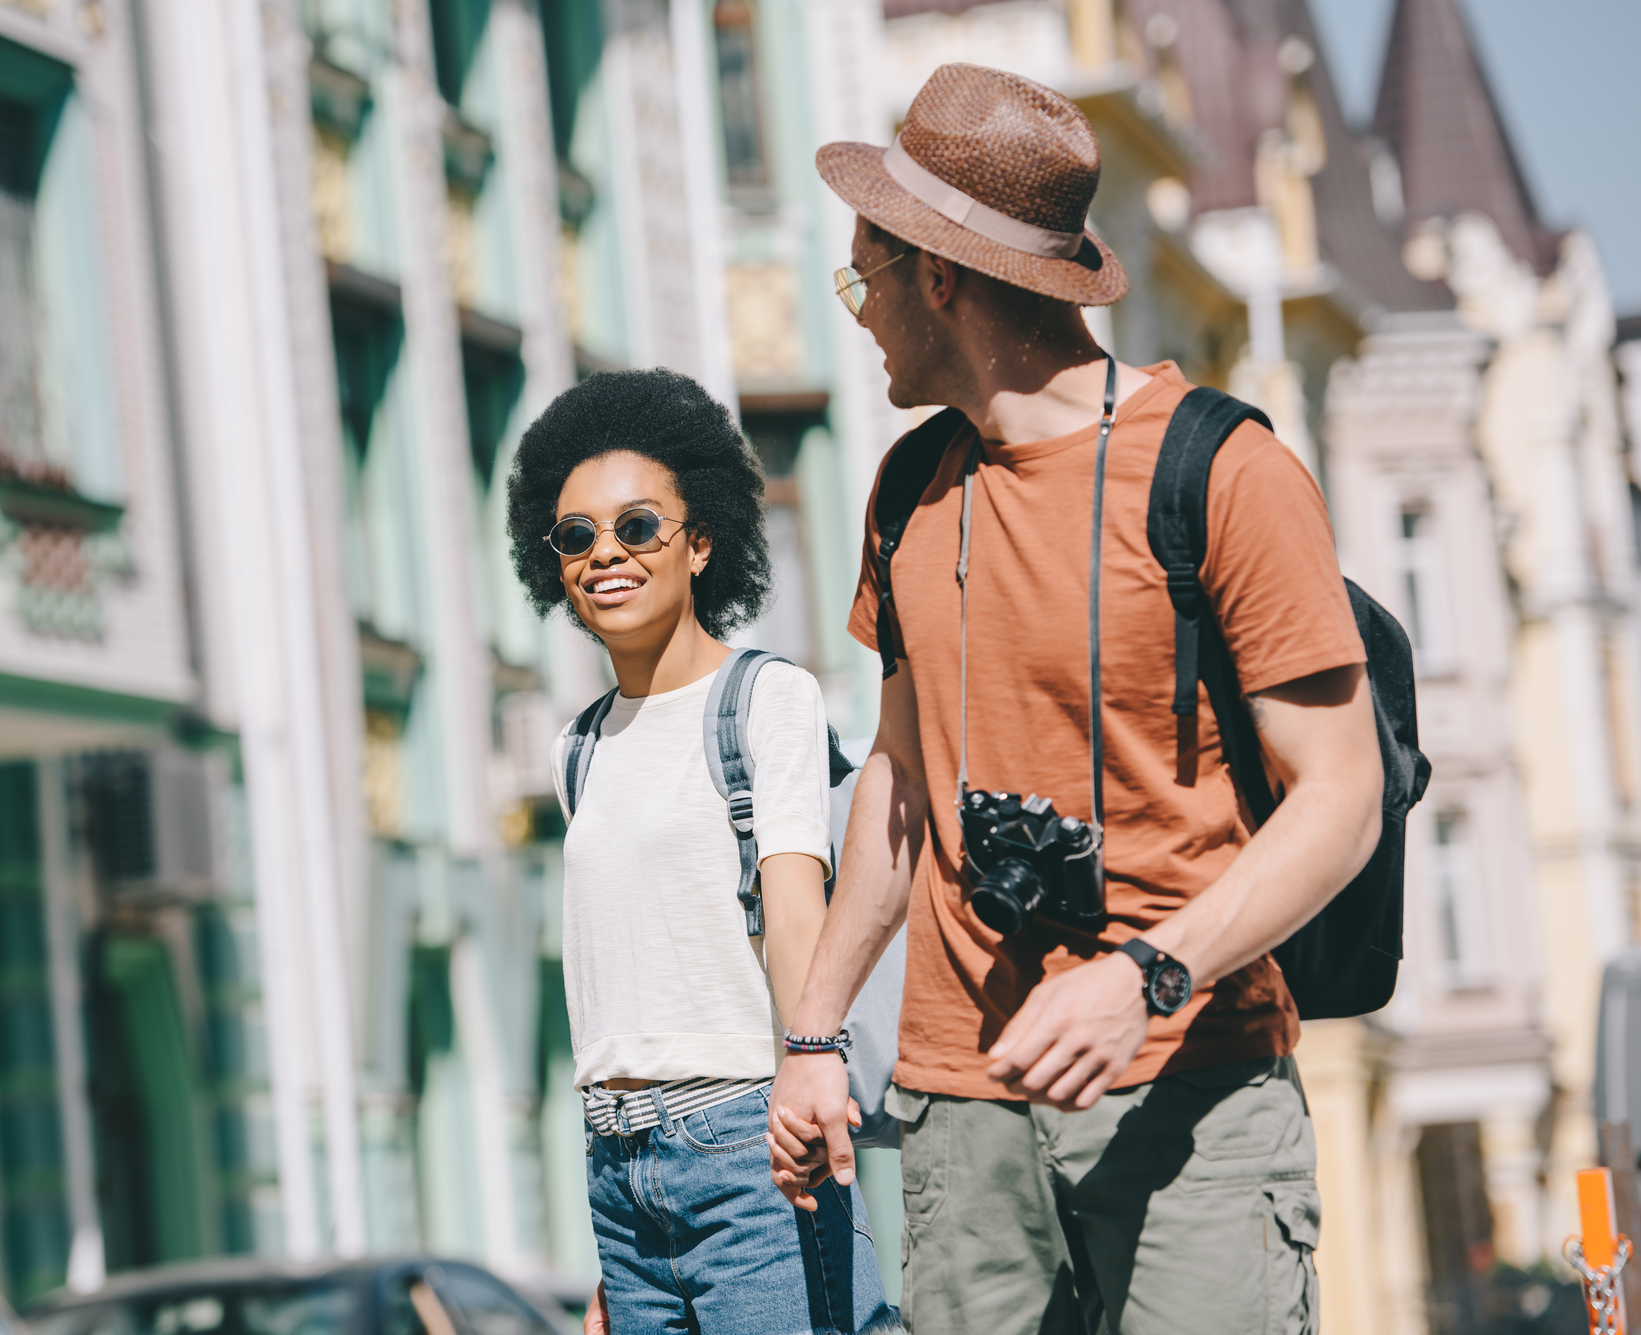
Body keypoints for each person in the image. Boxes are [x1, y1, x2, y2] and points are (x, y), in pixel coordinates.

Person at [765, 64, 1384, 1334]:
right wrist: (814, 1031)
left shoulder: (1223, 471)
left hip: (1189, 1095)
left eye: (865, 278)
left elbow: (1342, 798)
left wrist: (1142, 976)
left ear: (939, 279)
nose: (862, 314)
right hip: (958, 1114)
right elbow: (895, 778)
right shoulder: (906, 486)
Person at [505, 369, 898, 1335]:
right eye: (576, 535)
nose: (607, 553)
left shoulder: (767, 699)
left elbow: (796, 905)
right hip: (618, 1167)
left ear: (702, 540)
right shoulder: (579, 749)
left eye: (638, 526)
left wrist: (814, 1066)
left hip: (749, 1148)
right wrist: (619, 1244)